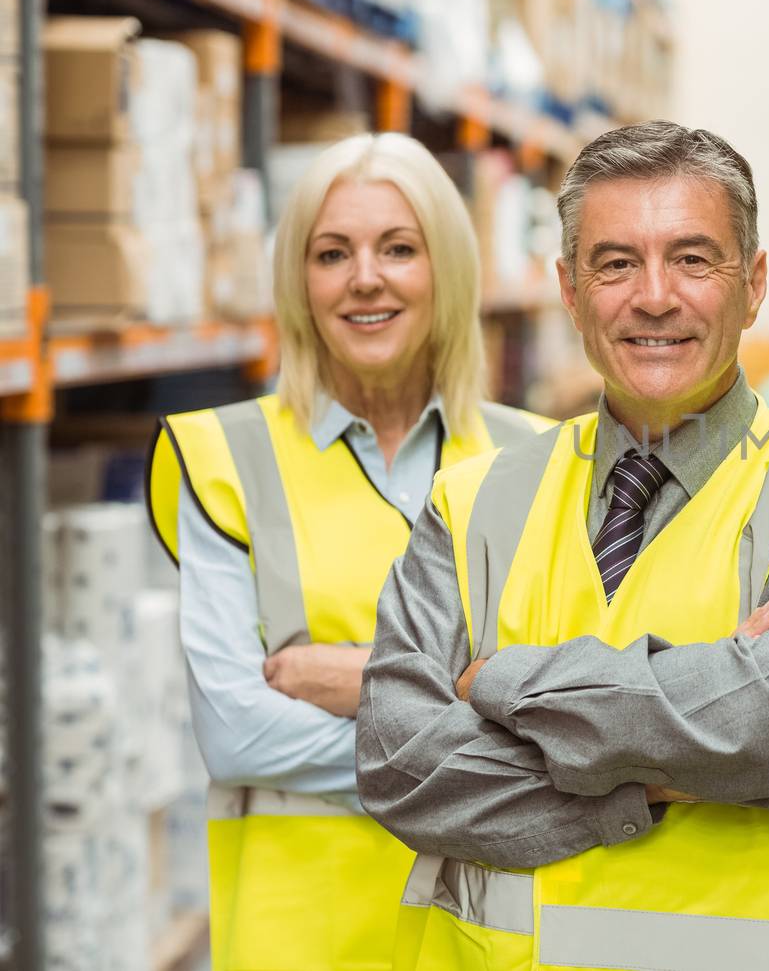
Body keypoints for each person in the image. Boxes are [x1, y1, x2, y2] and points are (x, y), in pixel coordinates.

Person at [356, 120, 769, 971]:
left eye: (694, 258)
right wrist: (652, 775)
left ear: (755, 284)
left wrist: (504, 683)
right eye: (616, 262)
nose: (656, 295)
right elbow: (398, 762)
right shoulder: (474, 499)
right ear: (568, 288)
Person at [146, 133, 552, 971]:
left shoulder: (540, 459)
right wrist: (483, 712)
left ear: (446, 269)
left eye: (398, 248)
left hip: (491, 936)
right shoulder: (225, 457)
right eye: (332, 253)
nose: (365, 277)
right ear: (300, 282)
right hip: (303, 936)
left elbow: (577, 704)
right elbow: (237, 734)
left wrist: (359, 680)